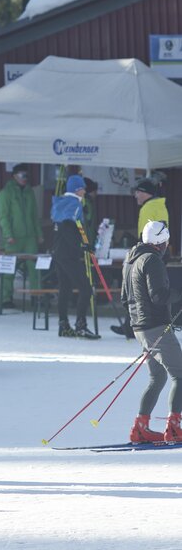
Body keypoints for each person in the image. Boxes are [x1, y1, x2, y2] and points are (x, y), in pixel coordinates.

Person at [122, 220, 182, 443]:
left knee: (157, 377)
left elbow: (123, 298)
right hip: (155, 326)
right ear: (161, 242)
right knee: (180, 374)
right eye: (166, 241)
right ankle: (174, 428)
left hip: (140, 328)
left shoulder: (130, 260)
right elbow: (158, 296)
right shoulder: (152, 260)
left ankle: (141, 428)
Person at [111, 177, 169, 338]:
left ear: (145, 193)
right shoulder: (155, 205)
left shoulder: (151, 207)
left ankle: (134, 326)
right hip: (151, 252)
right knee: (139, 289)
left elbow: (154, 233)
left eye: (137, 192)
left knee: (139, 289)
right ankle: (129, 326)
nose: (135, 195)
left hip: (149, 254)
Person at [51, 174, 100, 340]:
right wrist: (81, 245)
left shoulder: (59, 202)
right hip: (69, 254)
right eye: (83, 188)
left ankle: (63, 324)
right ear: (78, 189)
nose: (85, 191)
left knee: (64, 288)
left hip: (58, 252)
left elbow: (59, 225)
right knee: (86, 288)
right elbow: (67, 226)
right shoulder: (75, 204)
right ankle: (81, 325)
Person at [0, 163, 43, 309]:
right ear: (14, 176)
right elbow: (3, 217)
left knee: (34, 268)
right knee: (9, 268)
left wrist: (39, 234)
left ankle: (37, 296)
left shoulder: (29, 192)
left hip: (29, 237)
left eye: (27, 176)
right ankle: (5, 298)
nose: (25, 179)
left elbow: (34, 216)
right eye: (22, 176)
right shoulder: (5, 193)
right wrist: (8, 235)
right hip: (14, 238)